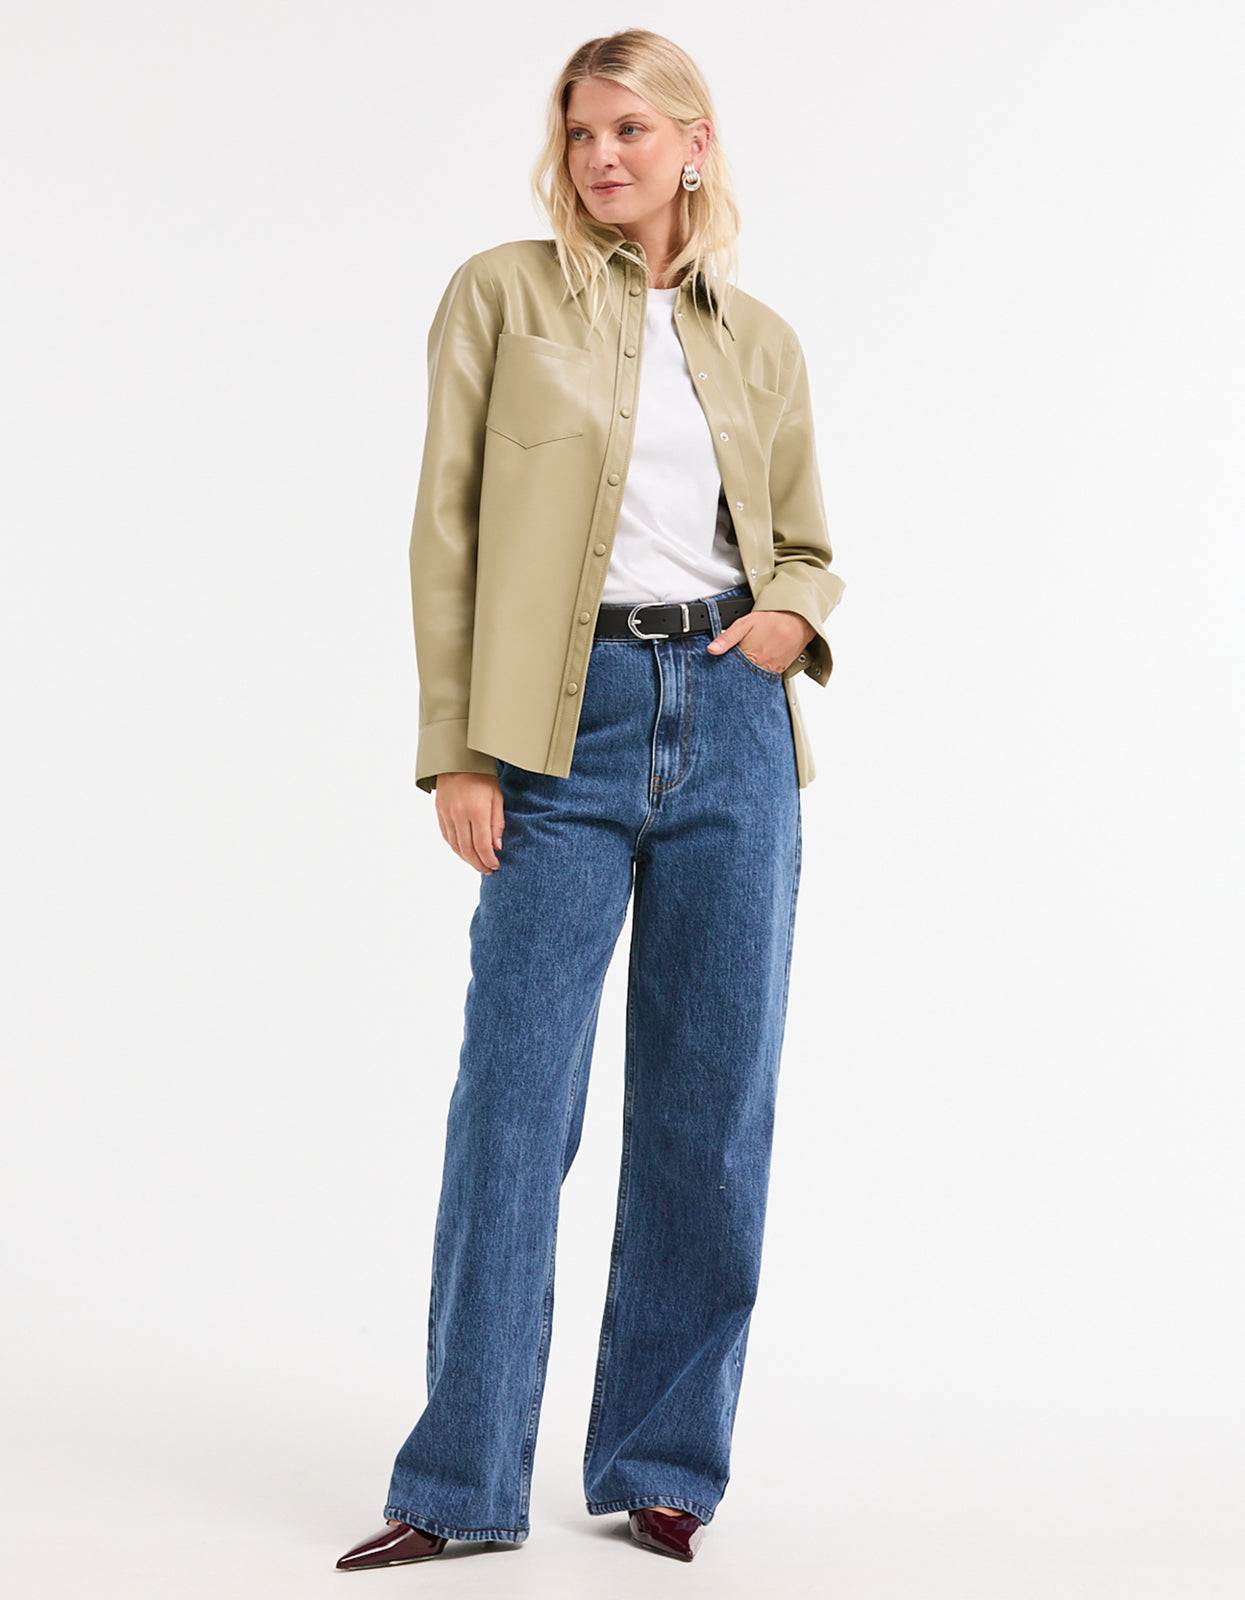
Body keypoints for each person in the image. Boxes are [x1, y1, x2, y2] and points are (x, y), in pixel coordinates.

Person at [336, 27, 845, 1571]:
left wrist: (788, 619)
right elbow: (445, 527)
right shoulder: (500, 297)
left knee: (709, 1113)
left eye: (630, 128)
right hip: (556, 735)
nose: (601, 155)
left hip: (733, 725)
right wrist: (459, 748)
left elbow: (805, 543)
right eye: (579, 132)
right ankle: (456, 1483)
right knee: (513, 1107)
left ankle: (664, 1464)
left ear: (695, 142)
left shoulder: (758, 340)